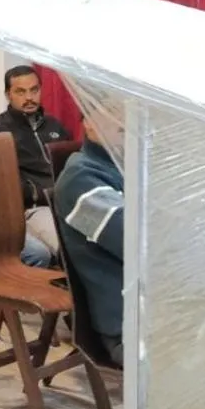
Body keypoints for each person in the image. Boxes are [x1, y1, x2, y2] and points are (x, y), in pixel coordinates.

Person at [53, 118, 126, 366]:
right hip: (131, 328)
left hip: (166, 312)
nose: (127, 122)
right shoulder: (80, 180)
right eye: (115, 116)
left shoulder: (126, 166)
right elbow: (141, 246)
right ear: (90, 123)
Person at [0, 65, 69, 266]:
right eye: (21, 92)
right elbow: (0, 185)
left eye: (34, 90)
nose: (29, 97)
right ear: (8, 95)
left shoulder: (55, 126)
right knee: (70, 247)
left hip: (67, 202)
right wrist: (43, 193)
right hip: (34, 209)